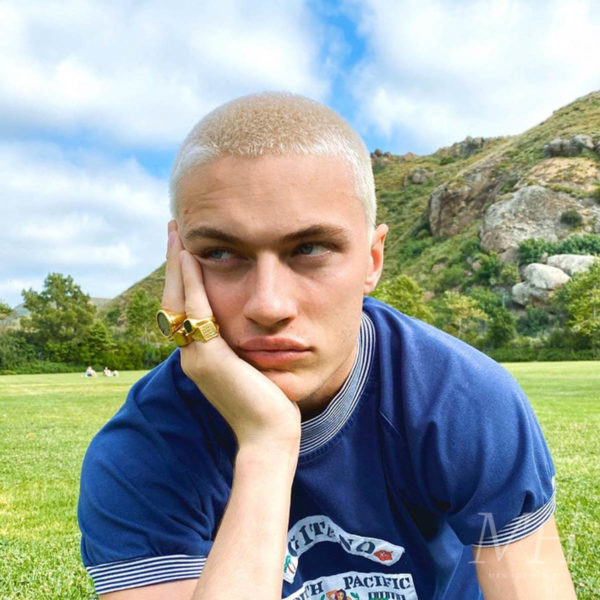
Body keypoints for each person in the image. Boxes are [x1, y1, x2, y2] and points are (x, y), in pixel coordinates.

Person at [77, 93, 576, 599]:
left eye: (310, 249)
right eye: (221, 253)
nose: (268, 304)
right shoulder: (141, 454)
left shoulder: (468, 402)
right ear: (180, 263)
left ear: (372, 260)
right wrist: (267, 446)